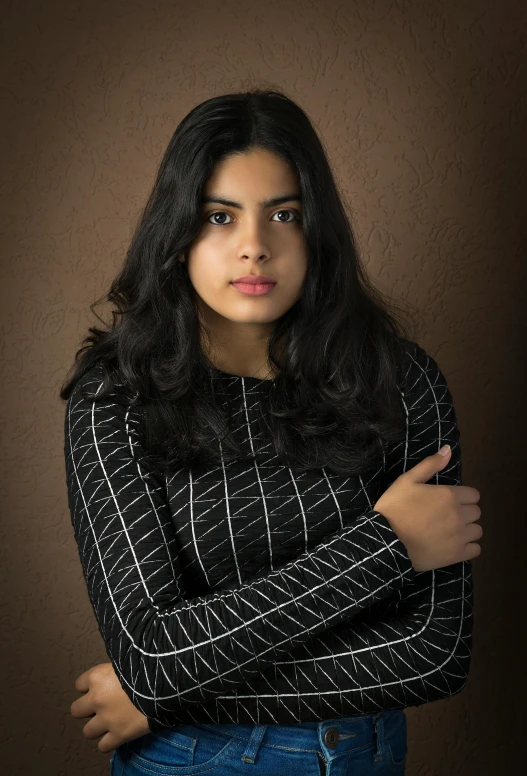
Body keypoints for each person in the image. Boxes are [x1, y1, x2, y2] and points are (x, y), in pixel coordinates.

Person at [61, 88, 482, 775]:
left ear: (317, 231)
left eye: (283, 214)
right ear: (177, 234)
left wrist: (169, 697)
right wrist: (387, 544)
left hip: (360, 754)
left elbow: (435, 653)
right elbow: (151, 652)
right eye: (219, 217)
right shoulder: (115, 396)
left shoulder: (399, 380)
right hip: (194, 761)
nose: (254, 247)